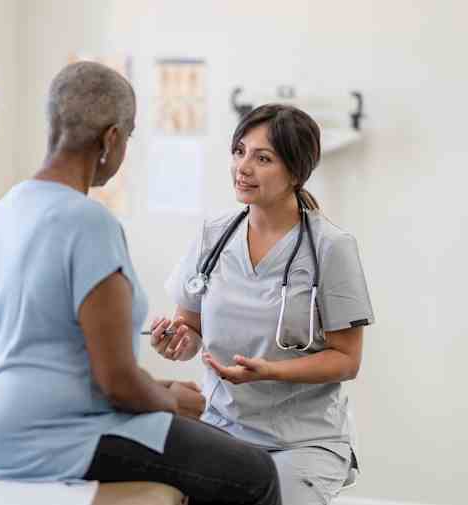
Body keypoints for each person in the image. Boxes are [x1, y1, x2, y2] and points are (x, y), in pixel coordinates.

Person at [0, 62, 281, 505]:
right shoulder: (88, 222)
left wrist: (159, 388)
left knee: (205, 448)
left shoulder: (7, 209)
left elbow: (54, 350)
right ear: (110, 140)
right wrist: (169, 403)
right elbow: (116, 382)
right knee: (255, 474)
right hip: (50, 437)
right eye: (127, 137)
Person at [152, 104, 374, 505]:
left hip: (301, 442)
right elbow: (190, 327)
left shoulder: (331, 248)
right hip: (221, 432)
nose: (243, 167)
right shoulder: (213, 236)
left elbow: (346, 359)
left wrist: (270, 371)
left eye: (263, 158)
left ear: (295, 172)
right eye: (239, 151)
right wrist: (177, 339)